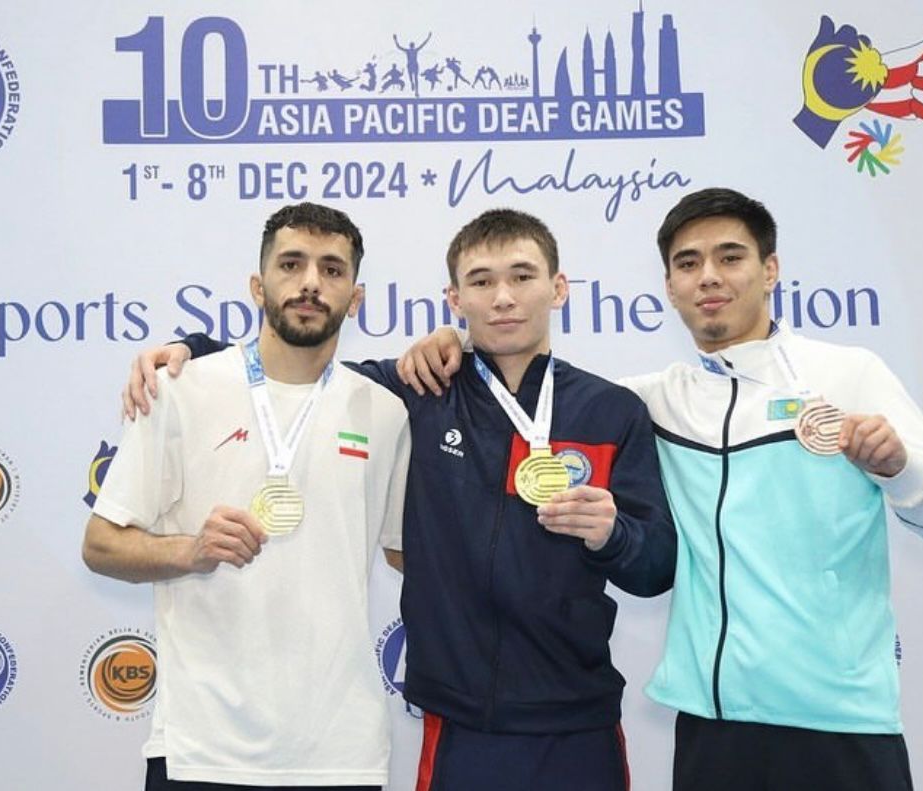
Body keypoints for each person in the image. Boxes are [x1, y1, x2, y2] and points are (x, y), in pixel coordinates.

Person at [395, 188, 923, 791]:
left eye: (730, 257)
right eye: (688, 263)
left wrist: (899, 468)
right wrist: (457, 342)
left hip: (838, 716)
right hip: (712, 720)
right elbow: (532, 386)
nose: (708, 277)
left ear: (770, 269)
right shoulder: (650, 400)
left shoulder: (847, 373)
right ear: (670, 287)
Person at [124, 209, 677, 791]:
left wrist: (613, 534)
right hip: (458, 720)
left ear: (558, 288)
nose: (503, 297)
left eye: (522, 276)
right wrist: (190, 349)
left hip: (578, 717)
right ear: (455, 299)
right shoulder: (417, 391)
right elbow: (294, 368)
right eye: (482, 281)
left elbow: (656, 567)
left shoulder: (612, 411)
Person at [83, 202, 412, 791]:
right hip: (203, 749)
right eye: (291, 264)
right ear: (258, 286)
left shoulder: (386, 412)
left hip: (340, 751)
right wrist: (190, 551)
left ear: (355, 298)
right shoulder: (179, 389)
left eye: (332, 269)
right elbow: (101, 545)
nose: (310, 283)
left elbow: (407, 555)